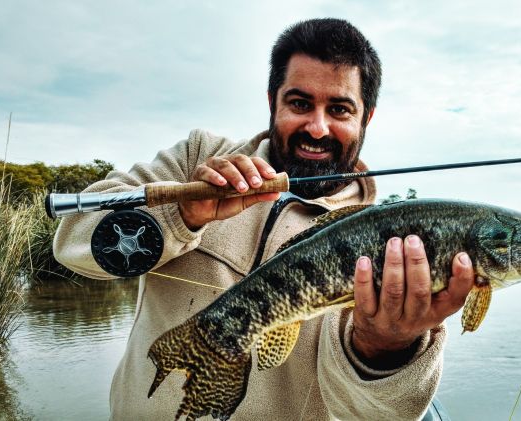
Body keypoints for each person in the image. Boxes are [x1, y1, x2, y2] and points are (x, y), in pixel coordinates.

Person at [54, 18, 474, 420]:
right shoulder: (196, 158)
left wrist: (386, 346)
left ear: (367, 117)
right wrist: (180, 215)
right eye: (300, 103)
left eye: (340, 109)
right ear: (272, 100)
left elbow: (376, 414)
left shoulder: (392, 247)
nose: (317, 127)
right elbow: (71, 243)